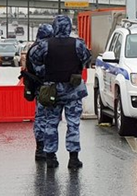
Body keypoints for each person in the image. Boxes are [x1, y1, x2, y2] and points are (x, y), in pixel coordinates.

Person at [28, 15, 91, 169]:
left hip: (52, 91)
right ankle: (73, 159)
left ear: (54, 27)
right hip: (73, 91)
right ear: (69, 27)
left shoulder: (45, 45)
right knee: (73, 124)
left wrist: (48, 67)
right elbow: (86, 59)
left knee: (51, 124)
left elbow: (34, 59)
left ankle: (50, 158)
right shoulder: (77, 44)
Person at [21, 23, 54, 162]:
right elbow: (42, 70)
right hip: (45, 87)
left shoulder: (33, 48)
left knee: (40, 118)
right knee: (47, 118)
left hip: (37, 87)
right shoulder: (42, 49)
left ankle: (40, 148)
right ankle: (44, 149)